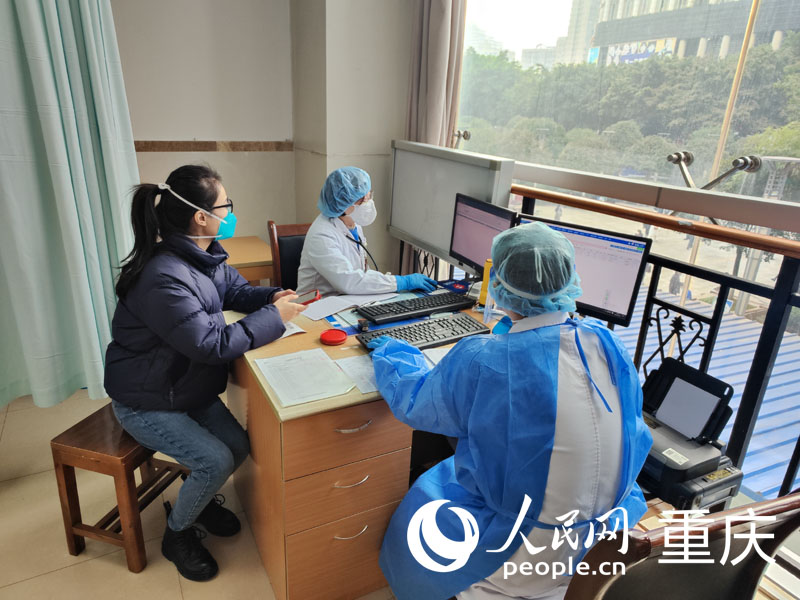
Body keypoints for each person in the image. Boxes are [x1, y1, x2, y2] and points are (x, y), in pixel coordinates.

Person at [367, 222, 652, 600]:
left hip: (514, 556)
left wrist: (391, 351)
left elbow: (417, 402)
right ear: (568, 281)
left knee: (426, 490)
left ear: (500, 285)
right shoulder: (608, 343)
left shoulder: (483, 358)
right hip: (599, 546)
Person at [104, 165, 305, 582]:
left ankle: (198, 501)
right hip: (146, 400)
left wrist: (273, 297)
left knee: (238, 445)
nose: (230, 213)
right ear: (200, 216)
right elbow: (211, 345)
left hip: (182, 386)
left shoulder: (204, 255)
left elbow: (234, 290)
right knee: (214, 460)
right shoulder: (163, 277)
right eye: (225, 205)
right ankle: (176, 534)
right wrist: (274, 318)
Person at [297, 166, 437, 296]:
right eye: (361, 200)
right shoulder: (321, 235)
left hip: (347, 299)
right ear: (343, 204)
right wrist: (401, 282)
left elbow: (361, 273)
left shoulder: (353, 224)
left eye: (368, 196)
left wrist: (388, 282)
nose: (367, 202)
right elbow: (349, 281)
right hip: (318, 306)